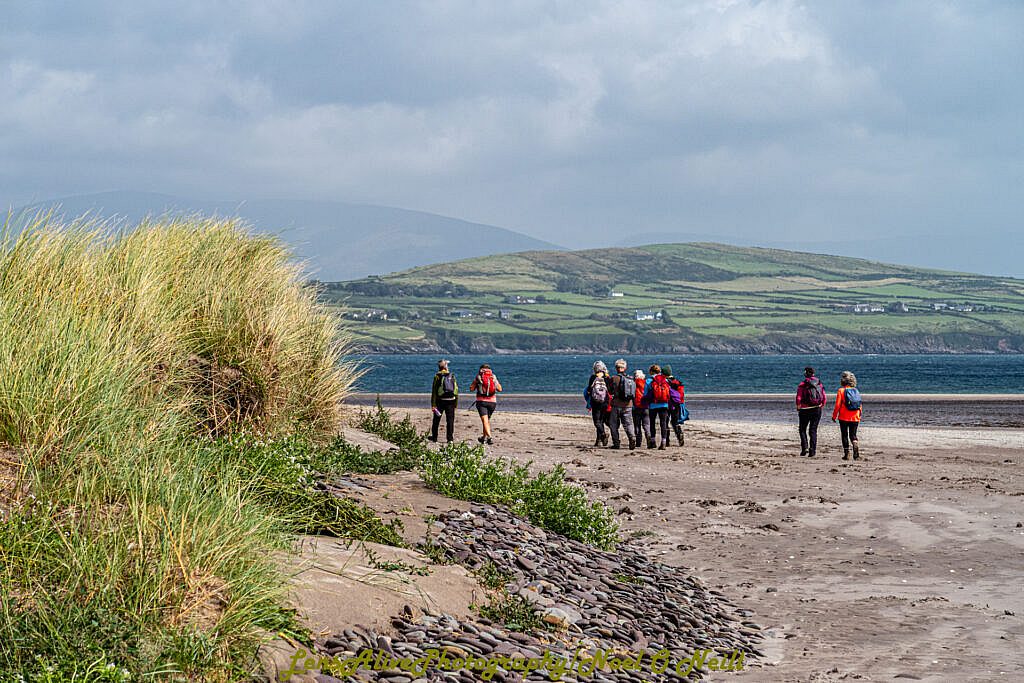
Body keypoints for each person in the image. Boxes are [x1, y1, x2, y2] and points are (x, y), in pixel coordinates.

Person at [606, 359, 636, 450]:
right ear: (625, 368)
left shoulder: (614, 378)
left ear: (616, 368)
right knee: (629, 424)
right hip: (628, 404)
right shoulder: (631, 379)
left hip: (616, 404)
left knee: (613, 424)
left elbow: (610, 391)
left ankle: (616, 442)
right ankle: (632, 437)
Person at [832, 370, 863, 461]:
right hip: (855, 416)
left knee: (844, 435)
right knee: (853, 435)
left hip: (844, 416)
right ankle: (855, 445)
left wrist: (834, 416)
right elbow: (860, 404)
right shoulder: (856, 390)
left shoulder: (841, 390)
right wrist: (859, 414)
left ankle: (847, 454)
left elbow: (837, 405)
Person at [795, 366, 826, 457]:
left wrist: (798, 406)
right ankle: (812, 450)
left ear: (805, 373)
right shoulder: (819, 383)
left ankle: (804, 448)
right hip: (817, 408)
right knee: (813, 430)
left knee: (802, 429)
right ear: (813, 373)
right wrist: (821, 405)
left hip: (805, 409)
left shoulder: (802, 384)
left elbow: (799, 397)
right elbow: (823, 396)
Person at [469, 363, 502, 445]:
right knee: (486, 421)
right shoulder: (493, 377)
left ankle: (489, 437)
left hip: (481, 402)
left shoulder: (478, 377)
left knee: (485, 421)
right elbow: (500, 389)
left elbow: (471, 389)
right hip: (492, 402)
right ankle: (483, 438)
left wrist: (477, 383)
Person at [429, 359, 458, 443]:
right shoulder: (451, 375)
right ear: (446, 366)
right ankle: (450, 439)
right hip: (451, 401)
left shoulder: (437, 376)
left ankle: (434, 437)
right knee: (450, 420)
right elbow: (456, 390)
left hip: (440, 401)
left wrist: (433, 404)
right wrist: (456, 403)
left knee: (436, 420)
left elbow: (434, 391)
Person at [584, 360, 612, 447]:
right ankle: (599, 441)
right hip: (605, 402)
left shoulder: (593, 377)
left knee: (597, 421)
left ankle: (603, 435)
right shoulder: (607, 378)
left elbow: (589, 390)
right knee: (601, 421)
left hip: (595, 402)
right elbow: (610, 391)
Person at [644, 364, 671, 450]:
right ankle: (663, 442)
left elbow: (645, 394)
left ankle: (653, 441)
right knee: (663, 423)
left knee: (652, 423)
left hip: (653, 405)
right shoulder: (665, 380)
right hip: (664, 404)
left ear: (651, 371)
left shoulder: (648, 381)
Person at [662, 364, 686, 446]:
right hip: (676, 405)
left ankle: (667, 440)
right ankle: (679, 434)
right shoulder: (677, 382)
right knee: (675, 422)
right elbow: (681, 395)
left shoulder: (664, 382)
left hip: (666, 404)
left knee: (665, 422)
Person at [631, 369, 651, 449]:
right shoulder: (646, 383)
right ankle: (648, 436)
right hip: (646, 406)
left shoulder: (633, 384)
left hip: (637, 406)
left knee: (637, 425)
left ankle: (638, 442)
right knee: (646, 424)